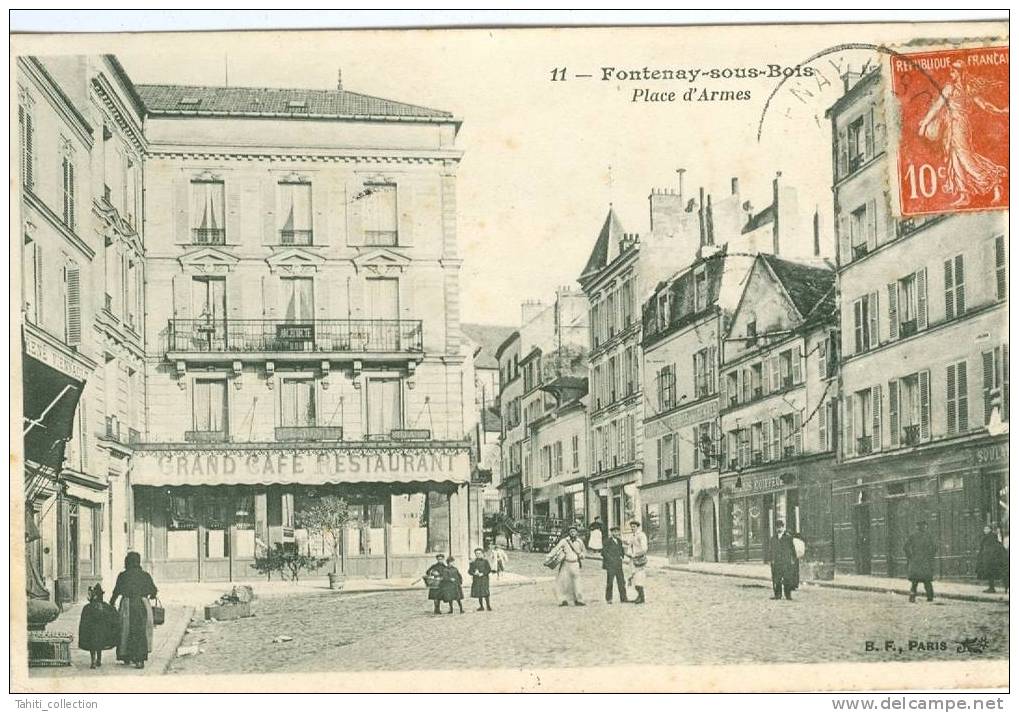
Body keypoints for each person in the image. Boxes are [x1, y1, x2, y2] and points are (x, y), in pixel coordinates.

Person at [109, 552, 158, 669]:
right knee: (141, 630)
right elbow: (154, 591)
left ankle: (127, 656)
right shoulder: (145, 575)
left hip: (127, 604)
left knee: (125, 630)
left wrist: (111, 603)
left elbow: (116, 591)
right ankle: (140, 659)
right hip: (142, 605)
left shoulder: (123, 575)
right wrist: (149, 596)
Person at [77, 584, 119, 669]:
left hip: (92, 631)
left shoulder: (88, 608)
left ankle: (93, 661)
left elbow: (84, 623)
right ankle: (98, 660)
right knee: (100, 643)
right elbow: (114, 616)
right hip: (101, 632)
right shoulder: (106, 607)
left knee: (93, 644)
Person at [549, 525, 586, 606]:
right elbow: (556, 549)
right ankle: (563, 600)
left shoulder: (580, 541)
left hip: (575, 564)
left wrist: (582, 555)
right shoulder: (564, 541)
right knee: (564, 583)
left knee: (577, 582)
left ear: (577, 532)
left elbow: (583, 551)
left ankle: (578, 600)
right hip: (566, 564)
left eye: (574, 531)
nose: (573, 533)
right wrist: (549, 556)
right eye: (571, 531)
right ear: (569, 532)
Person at [904, 520, 936, 602]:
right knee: (927, 581)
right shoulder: (928, 536)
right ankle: (930, 597)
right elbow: (934, 547)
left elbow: (905, 547)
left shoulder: (913, 536)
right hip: (925, 561)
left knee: (915, 581)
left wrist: (910, 556)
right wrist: (930, 556)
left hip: (916, 560)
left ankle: (912, 596)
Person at [769, 520, 800, 601]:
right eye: (777, 527)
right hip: (776, 561)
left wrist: (793, 559)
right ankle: (777, 595)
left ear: (783, 527)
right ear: (775, 528)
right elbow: (771, 550)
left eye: (780, 527)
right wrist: (771, 559)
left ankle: (788, 595)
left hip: (786, 561)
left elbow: (792, 549)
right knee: (777, 579)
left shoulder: (788, 537)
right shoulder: (773, 538)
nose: (779, 529)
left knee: (787, 578)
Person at [976, 524, 1008, 593]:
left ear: (990, 530)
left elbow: (991, 548)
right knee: (990, 573)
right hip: (988, 558)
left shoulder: (991, 537)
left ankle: (992, 588)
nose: (985, 530)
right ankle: (992, 587)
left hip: (991, 559)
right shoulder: (986, 537)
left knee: (991, 573)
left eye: (987, 529)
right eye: (985, 529)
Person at [602, 525, 628, 603]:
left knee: (621, 581)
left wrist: (622, 556)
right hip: (610, 565)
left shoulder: (619, 541)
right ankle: (609, 599)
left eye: (617, 531)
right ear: (612, 532)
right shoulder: (607, 541)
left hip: (618, 565)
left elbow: (621, 550)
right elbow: (603, 553)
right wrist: (611, 559)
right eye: (614, 531)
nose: (616, 533)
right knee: (610, 582)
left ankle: (623, 598)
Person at [626, 520, 649, 604]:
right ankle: (639, 596)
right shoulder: (632, 536)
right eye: (631, 526)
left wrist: (635, 554)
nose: (632, 528)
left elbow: (644, 549)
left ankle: (641, 598)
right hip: (632, 560)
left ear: (637, 527)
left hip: (639, 560)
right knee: (634, 578)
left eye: (634, 526)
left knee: (639, 578)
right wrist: (629, 553)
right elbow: (629, 545)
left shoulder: (641, 535)